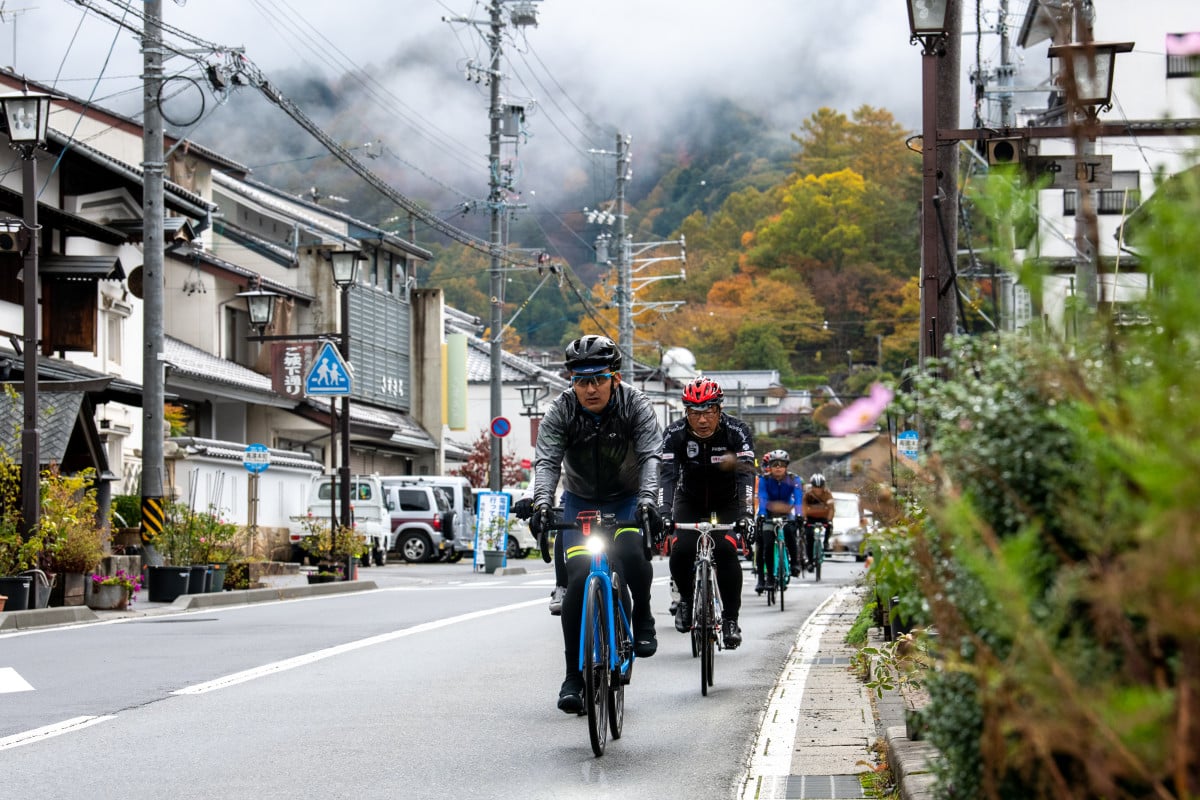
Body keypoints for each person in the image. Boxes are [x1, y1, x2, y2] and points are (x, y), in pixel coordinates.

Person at [528, 334, 664, 714]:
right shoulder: (561, 410)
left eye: (598, 379)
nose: (589, 388)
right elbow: (547, 462)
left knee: (633, 553)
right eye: (580, 380)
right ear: (571, 381)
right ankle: (573, 676)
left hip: (627, 496)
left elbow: (653, 455)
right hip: (580, 500)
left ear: (614, 378)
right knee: (576, 583)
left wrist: (649, 500)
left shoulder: (635, 404)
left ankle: (643, 614)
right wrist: (542, 502)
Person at [660, 376, 756, 649]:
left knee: (726, 552)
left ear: (719, 410)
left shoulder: (737, 432)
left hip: (726, 502)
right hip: (688, 500)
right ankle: (687, 600)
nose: (702, 420)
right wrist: (664, 512)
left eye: (709, 412)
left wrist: (746, 515)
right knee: (680, 550)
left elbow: (746, 475)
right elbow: (666, 476)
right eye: (694, 413)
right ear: (686, 412)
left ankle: (730, 620)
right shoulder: (674, 434)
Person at [755, 449, 803, 592]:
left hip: (786, 513)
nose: (778, 468)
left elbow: (798, 498)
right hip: (768, 513)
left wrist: (799, 514)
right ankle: (769, 577)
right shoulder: (765, 479)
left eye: (781, 465)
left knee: (790, 532)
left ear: (786, 466)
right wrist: (762, 514)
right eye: (775, 465)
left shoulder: (794, 479)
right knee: (767, 544)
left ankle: (795, 564)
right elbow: (762, 498)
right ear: (770, 466)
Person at [800, 472, 835, 569]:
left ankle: (826, 542)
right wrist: (805, 519)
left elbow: (831, 508)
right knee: (809, 538)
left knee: (830, 526)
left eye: (820, 487)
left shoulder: (827, 494)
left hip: (823, 517)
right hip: (811, 518)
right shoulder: (808, 495)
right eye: (816, 487)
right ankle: (810, 561)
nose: (818, 489)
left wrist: (829, 520)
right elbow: (803, 507)